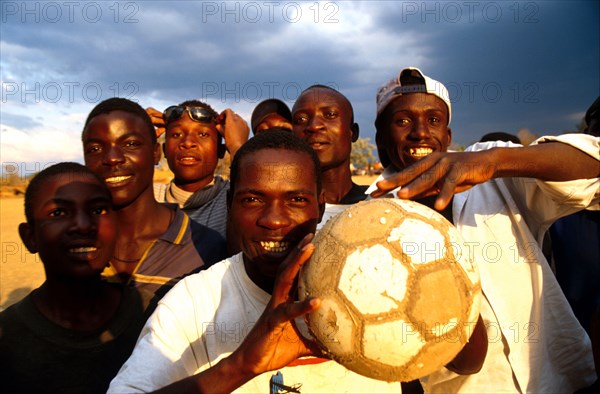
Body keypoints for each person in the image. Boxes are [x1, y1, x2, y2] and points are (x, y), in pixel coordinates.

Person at [368, 67, 599, 392]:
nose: (421, 132)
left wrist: (494, 162)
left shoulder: (495, 177)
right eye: (403, 121)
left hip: (563, 380)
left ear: (448, 137)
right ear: (380, 138)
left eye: (434, 120)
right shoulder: (370, 223)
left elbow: (595, 164)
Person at [0, 162, 153, 393]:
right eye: (59, 213)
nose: (83, 226)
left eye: (98, 210)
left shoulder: (154, 314)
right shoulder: (7, 337)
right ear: (29, 237)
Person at [81, 98, 205, 301]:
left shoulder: (203, 246)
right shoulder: (77, 243)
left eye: (130, 144)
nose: (112, 158)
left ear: (156, 153)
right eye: (95, 149)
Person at [147, 100, 249, 265]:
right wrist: (135, 126)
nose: (187, 142)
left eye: (202, 134)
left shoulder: (232, 198)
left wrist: (238, 147)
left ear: (221, 151)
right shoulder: (150, 199)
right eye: (176, 134)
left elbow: (256, 194)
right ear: (164, 150)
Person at [292, 85, 368, 228]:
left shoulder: (385, 202)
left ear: (353, 132)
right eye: (301, 119)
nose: (314, 126)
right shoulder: (282, 213)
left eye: (330, 115)